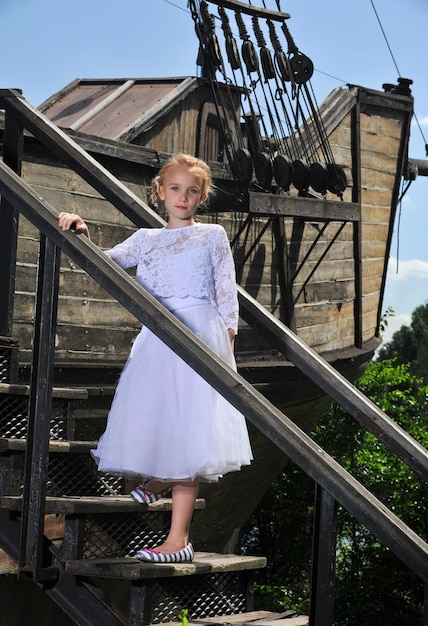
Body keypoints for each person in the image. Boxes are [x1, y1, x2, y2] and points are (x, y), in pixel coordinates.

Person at [57, 153, 253, 563]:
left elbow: (226, 292)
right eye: (175, 189)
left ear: (202, 197)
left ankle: (178, 540)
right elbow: (104, 264)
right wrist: (81, 230)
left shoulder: (212, 235)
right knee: (159, 419)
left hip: (199, 336)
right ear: (159, 193)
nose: (183, 197)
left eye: (192, 191)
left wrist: (226, 345)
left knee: (189, 429)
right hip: (158, 339)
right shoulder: (145, 240)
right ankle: (161, 481)